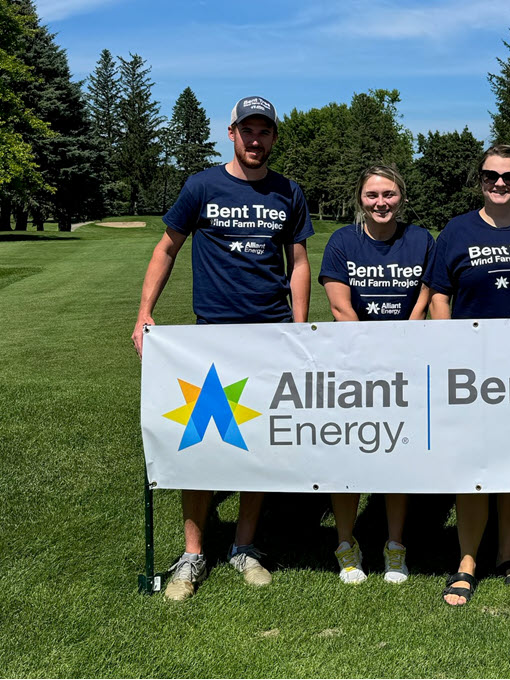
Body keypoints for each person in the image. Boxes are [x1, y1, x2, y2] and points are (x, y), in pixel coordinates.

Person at [131, 96, 313, 601]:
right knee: (201, 442)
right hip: (209, 337)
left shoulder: (288, 192)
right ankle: (193, 554)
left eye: (265, 132)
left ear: (274, 137)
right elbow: (167, 247)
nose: (256, 140)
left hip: (270, 334)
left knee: (257, 440)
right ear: (231, 133)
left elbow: (297, 262)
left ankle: (244, 547)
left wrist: (299, 328)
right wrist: (145, 313)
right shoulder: (203, 185)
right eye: (247, 131)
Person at [423, 144, 510, 605]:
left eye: (509, 176)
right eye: (490, 176)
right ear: (479, 179)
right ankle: (467, 560)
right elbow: (439, 295)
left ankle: (507, 554)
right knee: (474, 464)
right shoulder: (457, 232)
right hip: (473, 370)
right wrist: (448, 347)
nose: (499, 183)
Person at [318, 165, 434, 585]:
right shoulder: (343, 241)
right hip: (355, 364)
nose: (381, 203)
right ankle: (346, 544)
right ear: (360, 200)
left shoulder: (420, 239)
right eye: (372, 196)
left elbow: (425, 297)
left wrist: (405, 342)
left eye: (389, 194)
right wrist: (372, 354)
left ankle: (395, 546)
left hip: (406, 363)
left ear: (401, 197)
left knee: (396, 451)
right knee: (349, 453)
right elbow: (340, 308)